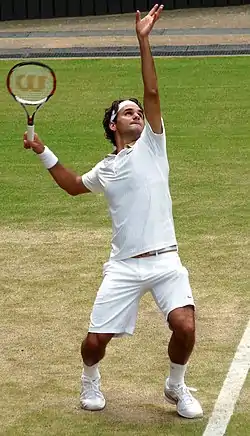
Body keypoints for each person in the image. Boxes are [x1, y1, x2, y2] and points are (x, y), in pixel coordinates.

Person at [23, 4, 203, 419]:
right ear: (112, 125)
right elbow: (72, 187)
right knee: (93, 344)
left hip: (166, 259)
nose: (137, 112)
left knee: (186, 326)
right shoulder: (106, 169)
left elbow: (153, 92)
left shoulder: (153, 146)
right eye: (127, 111)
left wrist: (143, 39)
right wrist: (42, 150)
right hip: (123, 266)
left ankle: (175, 385)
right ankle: (90, 379)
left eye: (138, 110)